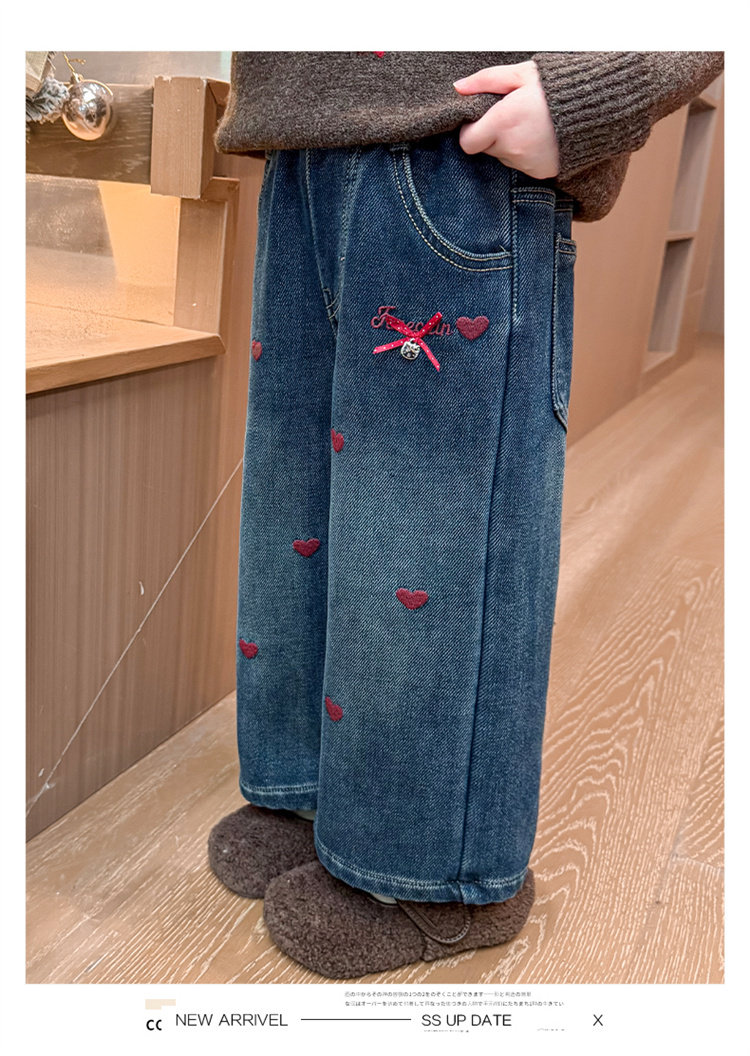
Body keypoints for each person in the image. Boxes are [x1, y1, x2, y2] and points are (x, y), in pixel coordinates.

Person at [207, 51, 724, 979]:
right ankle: (310, 786)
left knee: (430, 530)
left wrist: (598, 89)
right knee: (297, 501)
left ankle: (437, 877)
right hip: (302, 154)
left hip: (457, 161)